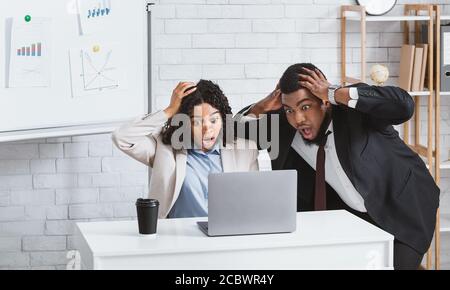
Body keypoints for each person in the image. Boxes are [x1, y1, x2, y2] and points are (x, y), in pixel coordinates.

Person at [236, 63, 440, 270]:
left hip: (402, 207)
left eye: (306, 107)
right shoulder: (287, 125)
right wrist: (259, 108)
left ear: (325, 102)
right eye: (289, 109)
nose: (298, 119)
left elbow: (404, 105)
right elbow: (230, 133)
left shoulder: (354, 111)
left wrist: (335, 92)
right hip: (351, 217)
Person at [113, 80, 259, 219]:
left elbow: (253, 202)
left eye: (214, 120)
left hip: (225, 236)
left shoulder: (245, 151)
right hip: (178, 238)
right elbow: (122, 137)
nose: (207, 128)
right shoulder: (165, 149)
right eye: (196, 122)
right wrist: (169, 111)